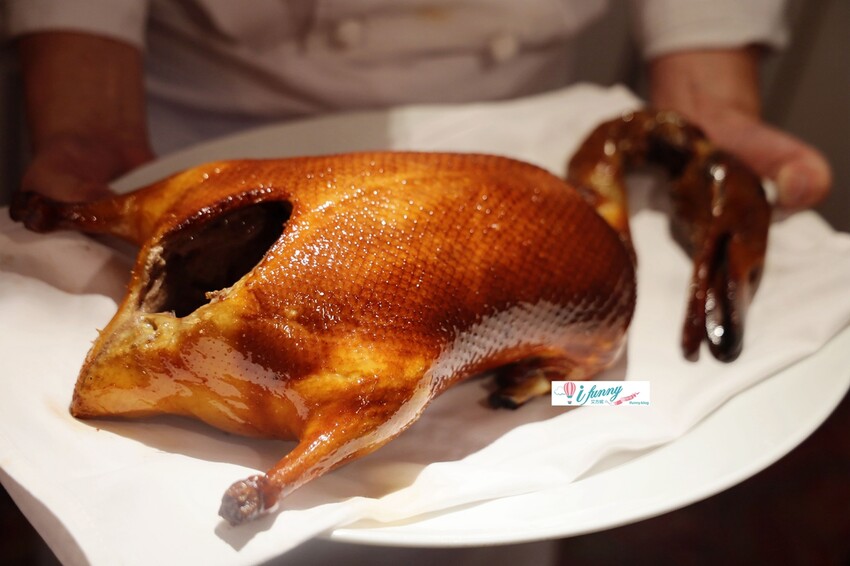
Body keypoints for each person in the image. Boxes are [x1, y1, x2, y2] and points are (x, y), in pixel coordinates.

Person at [5, 0, 831, 208]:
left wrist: (707, 91)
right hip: (197, 127)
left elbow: (629, 397)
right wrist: (87, 122)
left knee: (609, 409)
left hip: (521, 130)